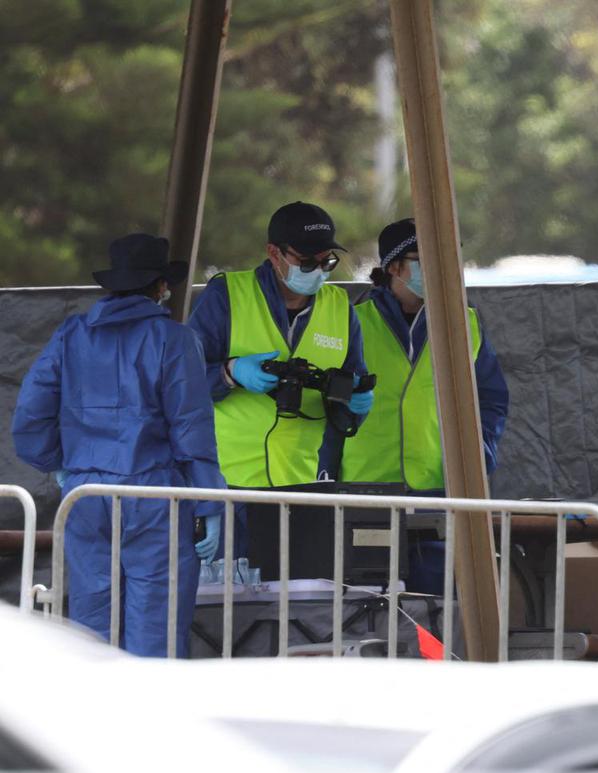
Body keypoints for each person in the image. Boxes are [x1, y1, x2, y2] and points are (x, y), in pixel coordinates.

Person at [12, 234, 226, 656]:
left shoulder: (70, 334)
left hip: (86, 497)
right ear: (161, 287)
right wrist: (210, 504)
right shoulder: (174, 339)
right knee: (156, 630)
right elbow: (191, 430)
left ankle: (92, 720)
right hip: (155, 497)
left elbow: (29, 418)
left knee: (91, 628)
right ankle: (153, 721)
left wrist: (61, 464)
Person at [329, 218, 509, 592]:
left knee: (439, 610)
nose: (445, 267)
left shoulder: (466, 323)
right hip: (365, 492)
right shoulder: (349, 322)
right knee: (368, 611)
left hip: (438, 492)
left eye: (451, 257)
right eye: (429, 258)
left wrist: (481, 452)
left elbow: (490, 399)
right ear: (394, 267)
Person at [187, 201, 372, 489]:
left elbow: (351, 389)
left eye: (327, 262)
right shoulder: (226, 295)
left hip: (302, 482)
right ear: (274, 253)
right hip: (227, 482)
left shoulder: (341, 308)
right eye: (307, 262)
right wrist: (229, 372)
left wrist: (355, 405)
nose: (319, 271)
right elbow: (182, 384)